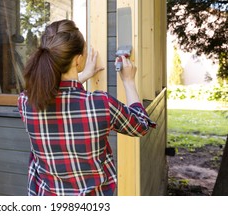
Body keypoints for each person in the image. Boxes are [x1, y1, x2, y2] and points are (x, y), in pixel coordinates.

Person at [18, 19, 156, 196]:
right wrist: (128, 81)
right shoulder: (101, 104)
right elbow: (141, 125)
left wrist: (82, 76)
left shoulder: (26, 101)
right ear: (78, 59)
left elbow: (58, 94)